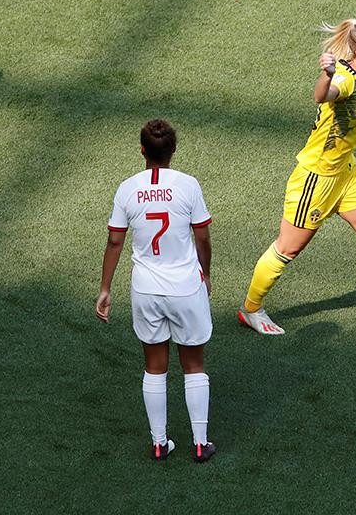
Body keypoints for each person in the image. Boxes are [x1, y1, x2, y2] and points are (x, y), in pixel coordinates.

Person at [237, 0, 356, 348]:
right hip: (315, 179)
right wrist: (325, 74)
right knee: (287, 249)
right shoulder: (347, 79)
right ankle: (251, 308)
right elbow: (324, 95)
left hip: (345, 175)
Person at [96, 120, 216, 462]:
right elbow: (203, 237)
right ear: (173, 150)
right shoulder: (188, 186)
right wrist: (205, 272)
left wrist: (105, 288)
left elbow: (114, 241)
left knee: (154, 366)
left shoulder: (126, 189)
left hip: (146, 290)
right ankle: (199, 442)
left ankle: (160, 443)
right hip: (184, 287)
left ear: (142, 151)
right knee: (193, 365)